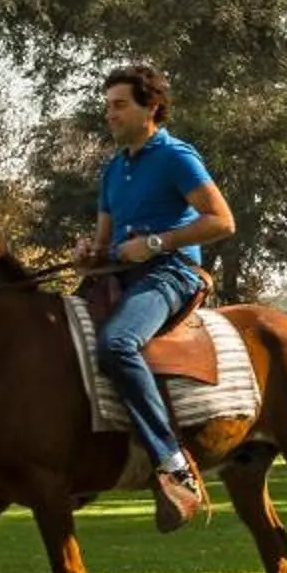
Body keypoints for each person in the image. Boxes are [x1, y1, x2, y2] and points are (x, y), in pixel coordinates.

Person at [74, 63, 235, 531]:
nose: (110, 115)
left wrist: (156, 243)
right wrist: (88, 255)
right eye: (107, 106)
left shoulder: (175, 156)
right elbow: (103, 245)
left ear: (152, 109)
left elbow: (222, 221)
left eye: (120, 105)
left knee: (118, 344)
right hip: (121, 277)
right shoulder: (112, 170)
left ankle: (173, 461)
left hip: (171, 273)